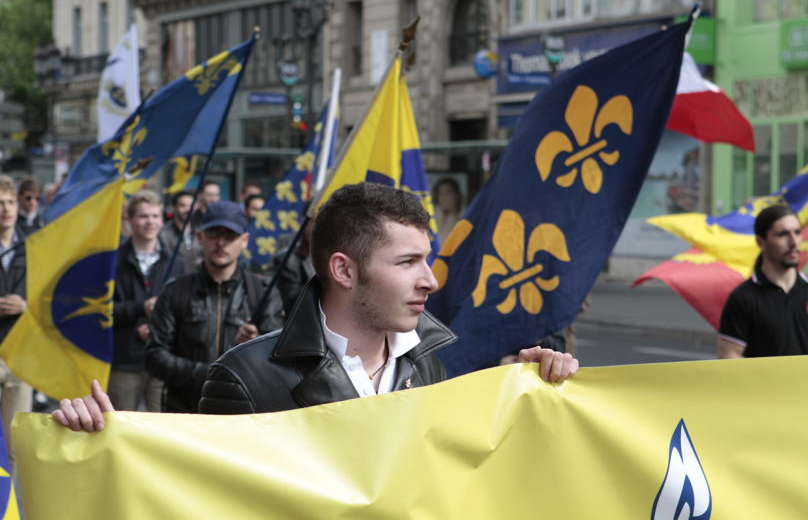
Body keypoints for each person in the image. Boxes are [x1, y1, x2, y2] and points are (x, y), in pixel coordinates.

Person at [54, 184, 577, 428]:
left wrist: (533, 390)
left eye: (428, 260)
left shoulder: (428, 361)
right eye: (407, 262)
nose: (431, 280)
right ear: (344, 270)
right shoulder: (244, 379)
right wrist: (100, 442)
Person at [142, 201, 283, 413]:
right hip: (185, 415)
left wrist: (256, 345)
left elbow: (279, 360)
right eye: (214, 234)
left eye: (230, 236)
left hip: (243, 416)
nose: (221, 243)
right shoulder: (175, 291)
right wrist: (209, 374)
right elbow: (155, 356)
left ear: (244, 240)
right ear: (200, 237)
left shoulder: (263, 292)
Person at [110, 191, 185, 412]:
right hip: (124, 361)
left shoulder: (175, 262)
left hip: (162, 360)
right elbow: (100, 310)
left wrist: (156, 327)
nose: (150, 221)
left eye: (155, 216)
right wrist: (140, 309)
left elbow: (182, 310)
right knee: (121, 427)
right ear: (130, 219)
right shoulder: (114, 261)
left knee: (162, 430)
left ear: (162, 220)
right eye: (143, 216)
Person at [718, 205, 808, 358]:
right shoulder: (742, 298)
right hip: (765, 382)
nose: (794, 242)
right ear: (761, 242)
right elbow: (729, 357)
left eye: (797, 232)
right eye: (783, 234)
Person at [0, 175, 31, 477]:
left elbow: (48, 296)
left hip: (22, 355)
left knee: (14, 444)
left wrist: (26, 306)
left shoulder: (31, 243)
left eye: (9, 202)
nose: (5, 209)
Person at [159, 190, 204, 273]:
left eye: (191, 205)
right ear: (174, 207)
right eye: (182, 205)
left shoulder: (200, 232)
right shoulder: (163, 234)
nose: (187, 209)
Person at [433, 178, 462, 245]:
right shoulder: (438, 219)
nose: (443, 197)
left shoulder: (460, 222)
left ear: (456, 196)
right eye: (440, 194)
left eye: (447, 193)